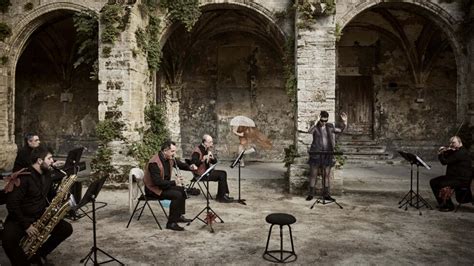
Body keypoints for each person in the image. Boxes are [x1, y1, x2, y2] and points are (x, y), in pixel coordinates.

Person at [2, 145, 73, 265]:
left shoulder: (46, 174)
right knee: (8, 240)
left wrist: (62, 197)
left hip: (39, 215)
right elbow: (12, 205)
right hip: (20, 218)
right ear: (40, 161)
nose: (53, 161)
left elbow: (51, 195)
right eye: (50, 158)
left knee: (66, 229)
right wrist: (26, 226)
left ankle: (38, 254)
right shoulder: (24, 178)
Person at [144, 140, 197, 231]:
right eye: (172, 151)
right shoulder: (154, 163)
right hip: (153, 189)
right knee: (177, 195)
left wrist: (190, 167)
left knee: (181, 189)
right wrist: (174, 182)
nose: (174, 153)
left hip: (163, 186)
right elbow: (157, 182)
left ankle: (178, 216)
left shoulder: (169, 158)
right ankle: (171, 223)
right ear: (165, 151)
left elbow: (181, 165)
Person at [306, 111, 348, 201]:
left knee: (327, 175)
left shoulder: (330, 126)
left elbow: (340, 131)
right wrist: (316, 121)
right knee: (313, 174)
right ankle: (311, 194)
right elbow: (309, 131)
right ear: (319, 118)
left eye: (326, 120)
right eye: (322, 120)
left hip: (327, 153)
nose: (324, 122)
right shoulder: (315, 126)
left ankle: (326, 195)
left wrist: (345, 122)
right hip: (316, 153)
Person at [430, 136, 472, 212]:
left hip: (460, 179)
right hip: (452, 177)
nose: (451, 144)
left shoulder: (461, 153)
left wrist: (440, 154)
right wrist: (445, 152)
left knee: (441, 184)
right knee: (433, 182)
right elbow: (446, 159)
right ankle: (442, 203)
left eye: (453, 142)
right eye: (450, 143)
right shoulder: (455, 151)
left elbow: (445, 162)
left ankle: (449, 206)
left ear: (460, 142)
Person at [190, 134, 233, 203]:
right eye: (210, 142)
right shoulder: (197, 151)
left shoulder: (206, 149)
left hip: (206, 172)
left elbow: (214, 162)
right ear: (204, 142)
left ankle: (222, 195)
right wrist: (202, 160)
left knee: (223, 173)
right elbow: (193, 163)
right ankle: (221, 197)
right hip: (200, 174)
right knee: (222, 174)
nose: (211, 144)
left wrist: (212, 158)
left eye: (212, 142)